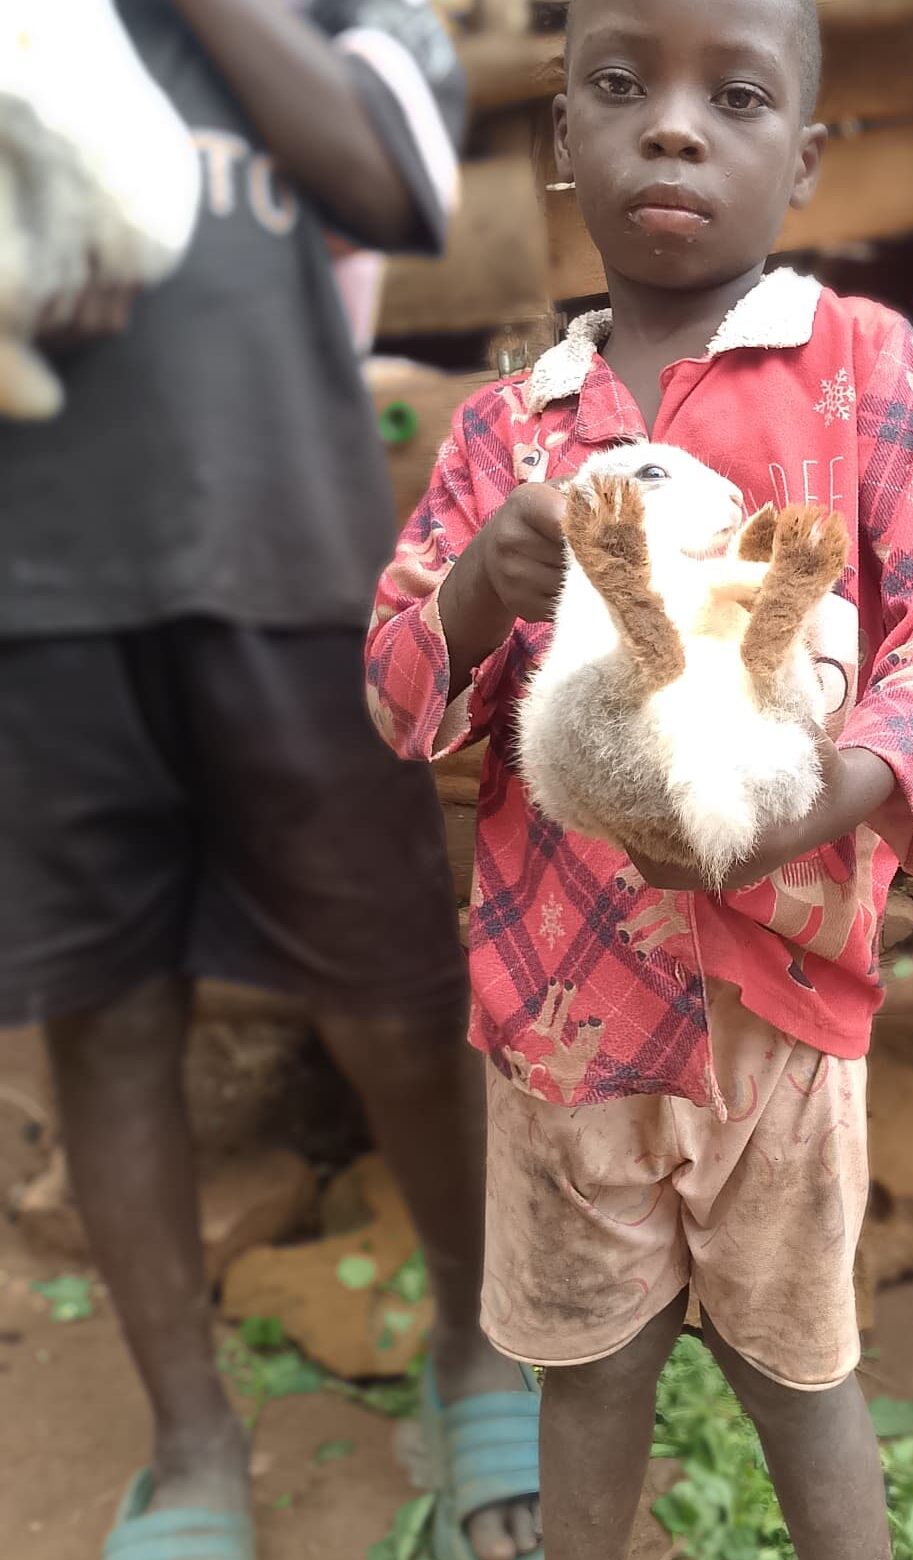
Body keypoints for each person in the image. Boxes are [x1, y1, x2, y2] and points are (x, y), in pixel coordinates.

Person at [365, 0, 913, 1554]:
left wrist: (827, 797)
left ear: (803, 160)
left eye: (734, 96)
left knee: (800, 1375)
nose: (671, 125)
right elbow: (396, 695)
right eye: (620, 85)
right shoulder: (507, 435)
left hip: (779, 1007)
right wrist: (478, 591)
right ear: (562, 138)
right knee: (590, 1372)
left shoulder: (862, 369)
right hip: (563, 1005)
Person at [0, 3, 544, 1558]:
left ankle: (470, 1342)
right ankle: (192, 1443)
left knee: (392, 999)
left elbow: (394, 181)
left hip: (287, 566)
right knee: (105, 1020)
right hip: (33, 588)